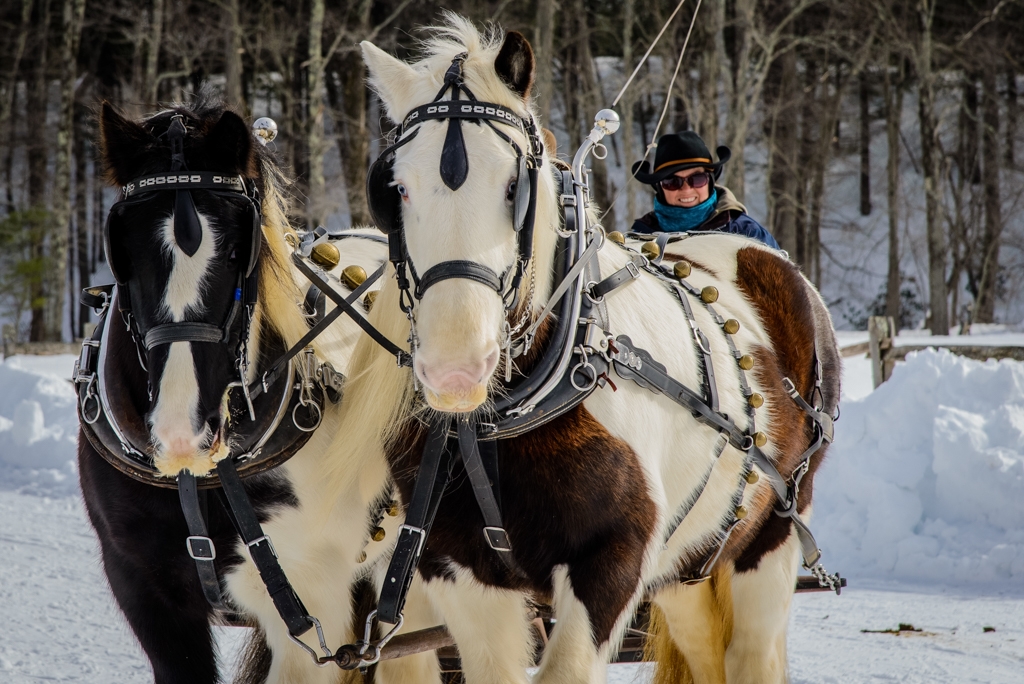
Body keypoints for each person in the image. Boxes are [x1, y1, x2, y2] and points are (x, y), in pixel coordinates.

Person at [630, 131, 779, 249]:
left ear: (710, 181)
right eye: (672, 182)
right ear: (659, 187)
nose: (686, 189)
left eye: (697, 179)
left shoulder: (746, 233)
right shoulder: (640, 238)